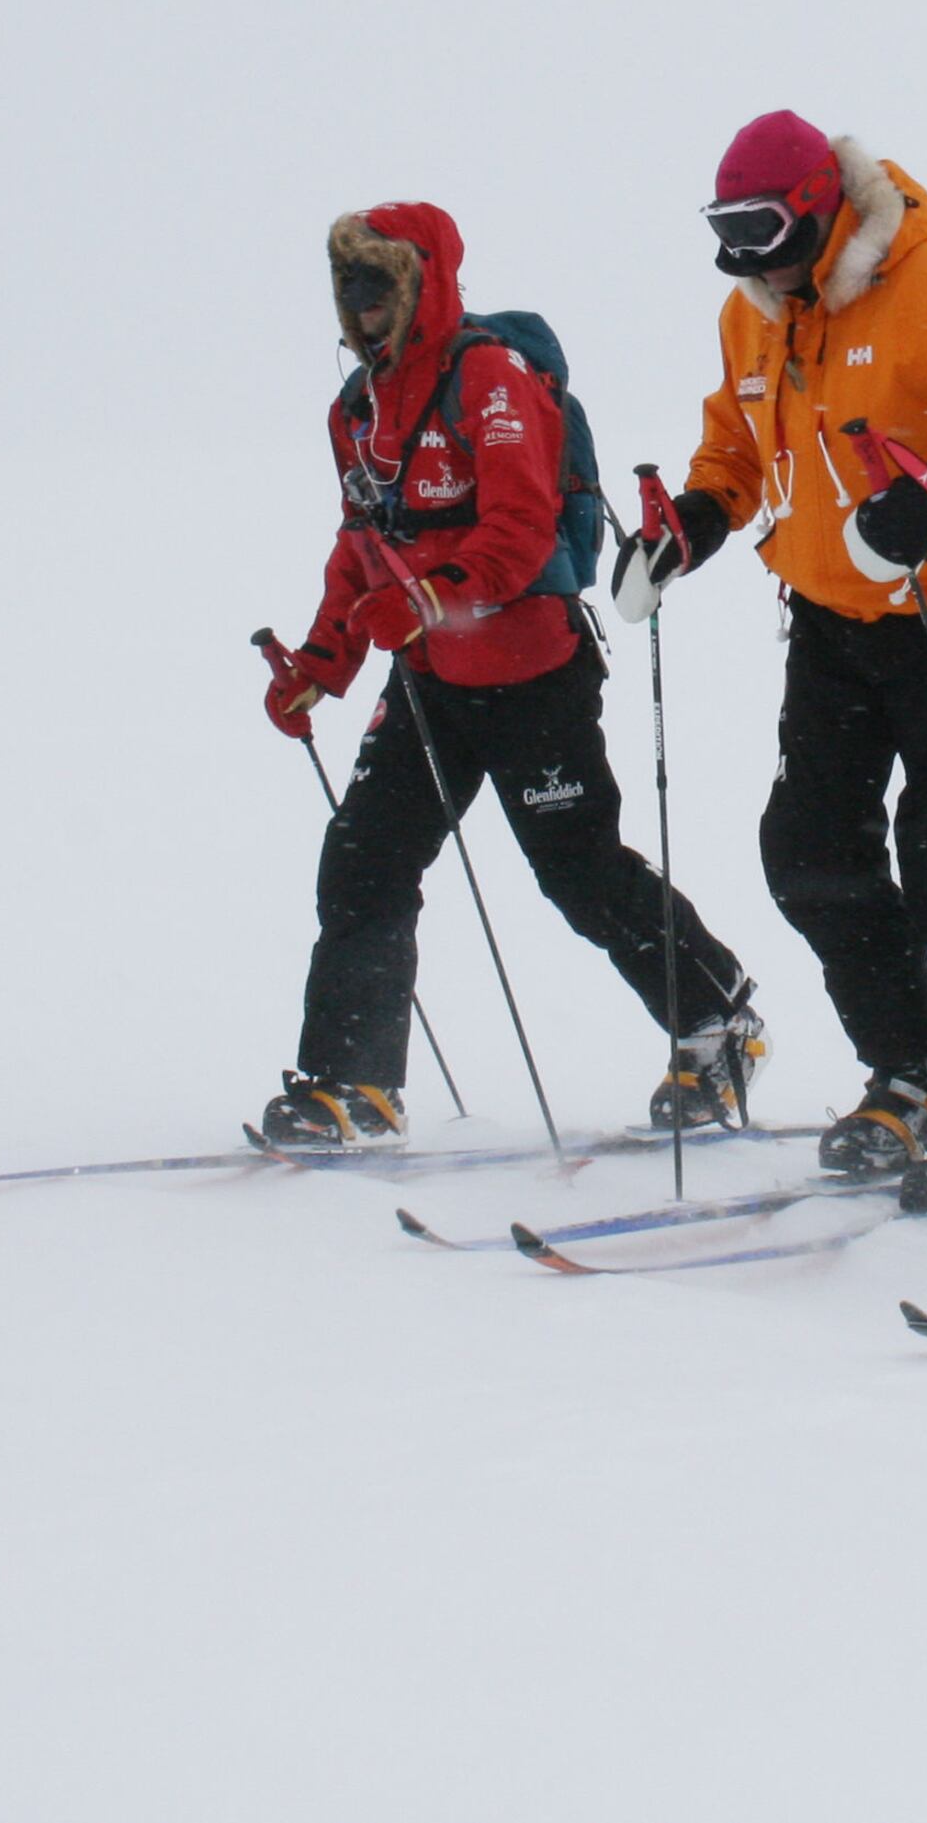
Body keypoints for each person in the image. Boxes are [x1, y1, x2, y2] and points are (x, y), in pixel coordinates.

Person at [612, 113, 927, 1213]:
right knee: (809, 849)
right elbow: (735, 453)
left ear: (824, 207)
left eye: (764, 225)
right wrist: (683, 527)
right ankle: (910, 1070)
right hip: (828, 624)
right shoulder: (755, 314)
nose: (748, 253)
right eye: (726, 230)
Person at [255, 200, 755, 1145]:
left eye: (379, 284)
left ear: (424, 282)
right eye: (347, 286)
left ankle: (718, 1021)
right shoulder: (355, 410)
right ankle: (350, 1085)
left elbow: (520, 532)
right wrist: (323, 663)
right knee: (365, 858)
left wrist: (433, 595)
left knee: (579, 873)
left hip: (535, 670)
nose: (361, 308)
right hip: (431, 677)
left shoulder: (490, 377)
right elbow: (361, 543)